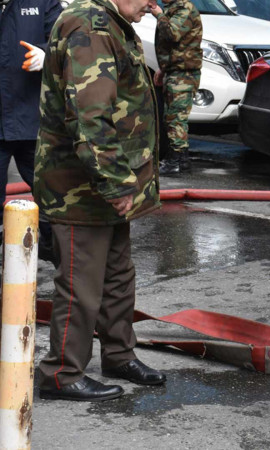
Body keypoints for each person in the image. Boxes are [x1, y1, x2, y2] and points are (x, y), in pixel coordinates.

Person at [35, 0, 165, 402]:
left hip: (105, 185)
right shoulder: (89, 26)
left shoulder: (110, 22)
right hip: (82, 188)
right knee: (81, 285)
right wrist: (117, 185)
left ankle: (119, 355)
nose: (153, 4)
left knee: (117, 277)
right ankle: (62, 373)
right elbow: (91, 117)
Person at [0, 0, 61, 261]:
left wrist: (47, 54)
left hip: (32, 120)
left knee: (54, 195)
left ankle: (64, 268)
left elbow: (68, 39)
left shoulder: (43, 2)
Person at [150, 0, 202, 175]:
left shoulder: (184, 9)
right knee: (171, 116)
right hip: (175, 71)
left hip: (184, 74)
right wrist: (163, 69)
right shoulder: (173, 9)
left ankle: (176, 161)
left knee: (176, 118)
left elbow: (173, 34)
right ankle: (182, 160)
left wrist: (158, 14)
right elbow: (174, 48)